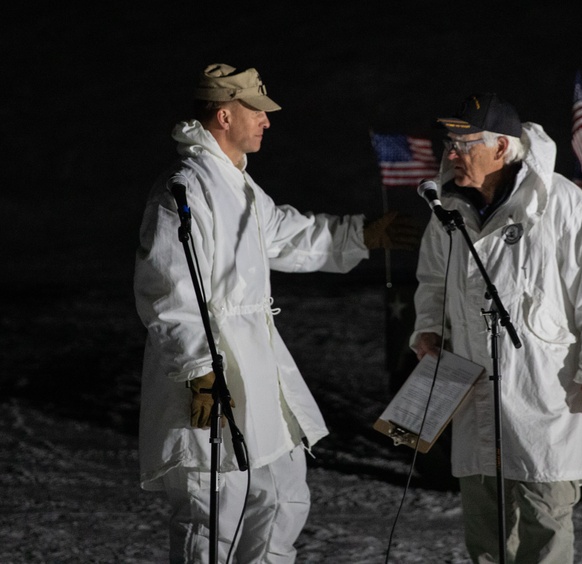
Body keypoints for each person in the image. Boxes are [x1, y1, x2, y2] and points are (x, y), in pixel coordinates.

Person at [133, 63, 418, 563]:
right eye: (256, 111)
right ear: (224, 115)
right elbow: (168, 289)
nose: (267, 121)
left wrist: (358, 234)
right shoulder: (184, 189)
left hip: (258, 372)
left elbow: (283, 234)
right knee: (214, 512)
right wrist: (199, 371)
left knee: (280, 497)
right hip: (213, 374)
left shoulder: (235, 182)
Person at [409, 93, 582, 563]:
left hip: (547, 395)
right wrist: (428, 327)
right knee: (485, 533)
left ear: (503, 149)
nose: (450, 154)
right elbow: (432, 279)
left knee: (543, 526)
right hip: (473, 391)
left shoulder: (563, 204)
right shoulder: (447, 211)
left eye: (463, 144)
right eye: (449, 143)